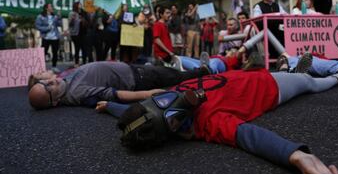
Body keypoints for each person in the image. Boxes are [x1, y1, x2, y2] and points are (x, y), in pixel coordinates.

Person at [97, 55, 338, 174]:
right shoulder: (206, 123)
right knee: (309, 82)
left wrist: (109, 106)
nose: (170, 101)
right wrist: (298, 156)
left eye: (160, 99)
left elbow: (133, 109)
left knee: (292, 66)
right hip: (270, 89)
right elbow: (250, 136)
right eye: (171, 116)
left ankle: (287, 66)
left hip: (247, 76)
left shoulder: (160, 100)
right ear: (175, 129)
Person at [28, 61, 210, 110]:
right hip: (137, 79)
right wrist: (147, 94)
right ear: (54, 102)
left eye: (45, 82)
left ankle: (200, 72)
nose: (50, 81)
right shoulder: (78, 94)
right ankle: (204, 72)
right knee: (175, 76)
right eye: (48, 87)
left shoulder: (64, 85)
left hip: (130, 70)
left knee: (170, 74)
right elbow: (114, 95)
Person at [35, 3, 62, 71]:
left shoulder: (55, 16)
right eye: (51, 6)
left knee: (55, 52)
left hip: (55, 37)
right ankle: (41, 67)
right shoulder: (40, 16)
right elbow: (37, 26)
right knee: (43, 53)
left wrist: (59, 17)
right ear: (46, 8)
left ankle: (54, 66)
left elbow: (59, 24)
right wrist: (47, 28)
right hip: (46, 37)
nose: (52, 8)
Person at [68, 2, 84, 67]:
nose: (81, 5)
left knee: (83, 48)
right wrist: (73, 19)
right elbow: (70, 24)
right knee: (77, 48)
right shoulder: (72, 13)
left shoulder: (82, 13)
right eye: (80, 4)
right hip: (75, 33)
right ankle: (76, 63)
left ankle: (83, 61)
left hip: (82, 33)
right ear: (76, 6)